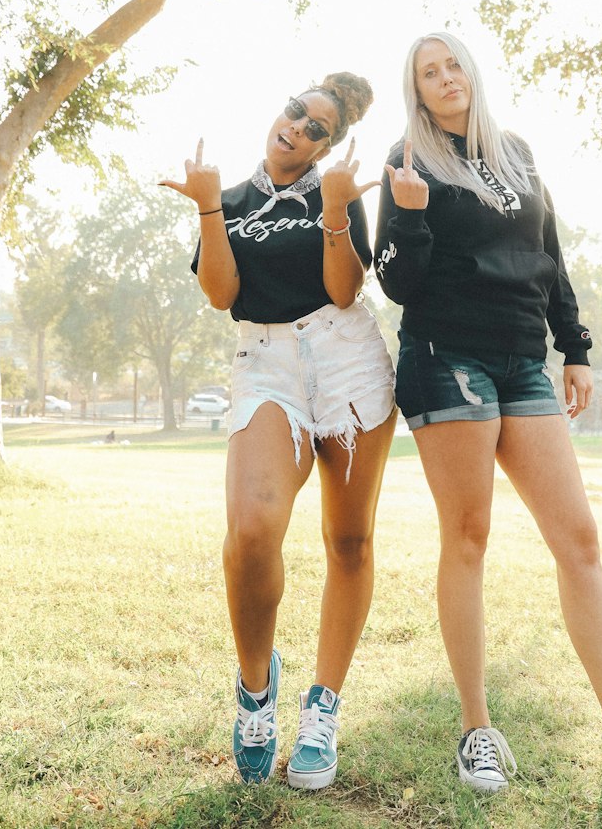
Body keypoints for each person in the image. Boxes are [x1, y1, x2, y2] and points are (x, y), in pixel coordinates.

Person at [373, 33, 602, 800]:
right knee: (468, 537)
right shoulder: (407, 160)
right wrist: (408, 216)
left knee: (580, 539)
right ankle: (477, 731)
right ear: (416, 89)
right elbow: (397, 283)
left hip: (522, 360)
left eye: (452, 64)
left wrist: (575, 347)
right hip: (446, 358)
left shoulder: (517, 152)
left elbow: (550, 254)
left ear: (472, 71)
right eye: (427, 72)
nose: (444, 78)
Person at [162, 73, 396, 790]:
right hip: (265, 362)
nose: (298, 128)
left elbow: (343, 289)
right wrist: (208, 208)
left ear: (332, 143)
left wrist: (333, 212)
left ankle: (322, 709)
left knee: (349, 541)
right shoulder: (228, 199)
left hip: (348, 361)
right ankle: (256, 691)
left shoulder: (337, 193)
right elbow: (222, 295)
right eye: (298, 111)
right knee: (253, 529)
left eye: (318, 127)